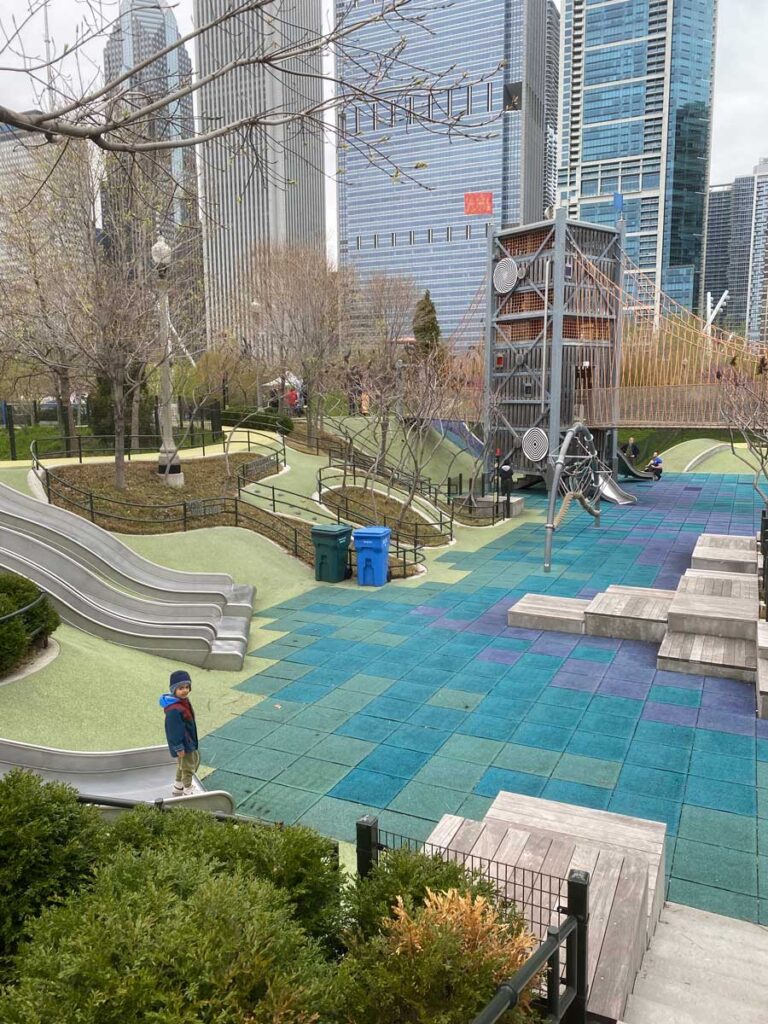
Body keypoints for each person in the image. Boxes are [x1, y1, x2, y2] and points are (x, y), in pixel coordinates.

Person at [159, 670, 199, 797]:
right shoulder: (174, 709)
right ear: (174, 690)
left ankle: (178, 786)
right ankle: (188, 789)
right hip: (183, 743)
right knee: (188, 765)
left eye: (187, 687)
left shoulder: (183, 702)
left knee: (182, 764)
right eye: (181, 688)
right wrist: (178, 747)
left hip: (188, 740)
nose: (185, 690)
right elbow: (174, 730)